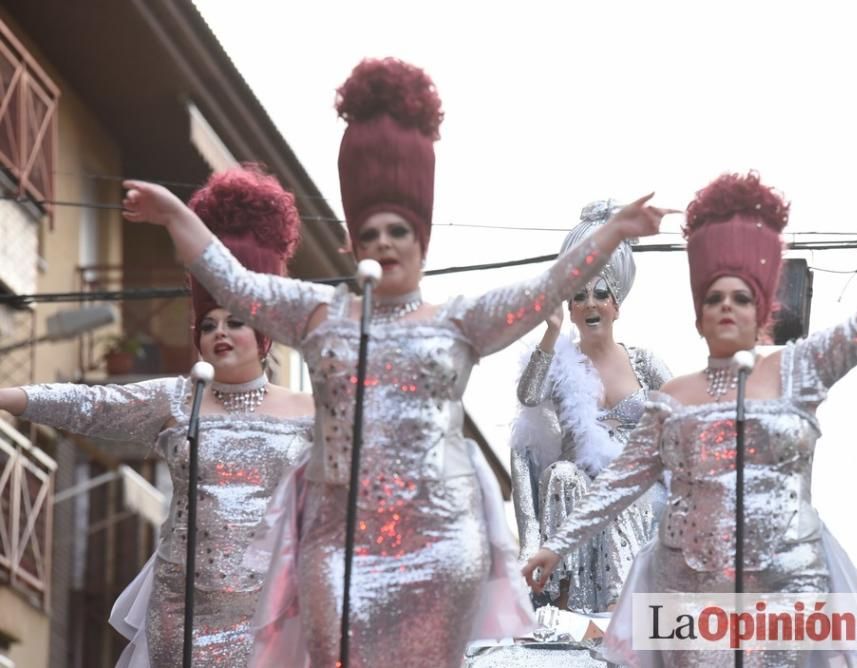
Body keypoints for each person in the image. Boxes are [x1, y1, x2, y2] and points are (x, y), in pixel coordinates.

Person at [118, 57, 670, 667]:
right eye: (372, 231)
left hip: (438, 549)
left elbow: (546, 287)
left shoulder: (456, 322)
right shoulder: (320, 317)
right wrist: (175, 214)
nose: (385, 243)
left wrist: (613, 232)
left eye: (400, 231)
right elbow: (233, 282)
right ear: (351, 241)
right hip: (338, 545)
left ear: (421, 241)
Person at [523, 171, 857, 667]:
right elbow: (618, 482)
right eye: (713, 298)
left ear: (761, 309)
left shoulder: (798, 371)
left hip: (785, 585)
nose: (727, 306)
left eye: (741, 297)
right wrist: (555, 546)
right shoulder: (673, 398)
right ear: (698, 318)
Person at [0, 166, 315, 667]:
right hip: (181, 608)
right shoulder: (178, 398)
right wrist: (6, 396)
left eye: (235, 322)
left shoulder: (309, 413)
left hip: (268, 610)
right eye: (208, 324)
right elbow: (86, 404)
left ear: (265, 335)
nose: (220, 333)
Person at [511, 198, 671, 614]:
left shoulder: (645, 362)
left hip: (635, 490)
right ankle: (567, 604)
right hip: (573, 488)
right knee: (564, 475)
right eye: (580, 295)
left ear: (617, 305)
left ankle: (620, 608)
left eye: (602, 293)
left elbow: (684, 424)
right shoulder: (561, 361)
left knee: (615, 488)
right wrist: (549, 334)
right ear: (569, 307)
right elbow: (528, 397)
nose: (591, 303)